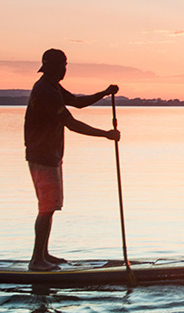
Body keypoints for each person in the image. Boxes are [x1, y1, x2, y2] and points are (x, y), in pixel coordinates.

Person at [24, 48, 120, 271]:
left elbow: (76, 102)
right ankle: (36, 261)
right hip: (42, 156)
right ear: (57, 67)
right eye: (64, 65)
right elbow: (71, 122)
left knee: (50, 206)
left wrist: (104, 93)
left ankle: (43, 254)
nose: (65, 69)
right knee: (46, 207)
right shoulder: (46, 90)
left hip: (51, 155)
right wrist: (105, 134)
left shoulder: (52, 86)